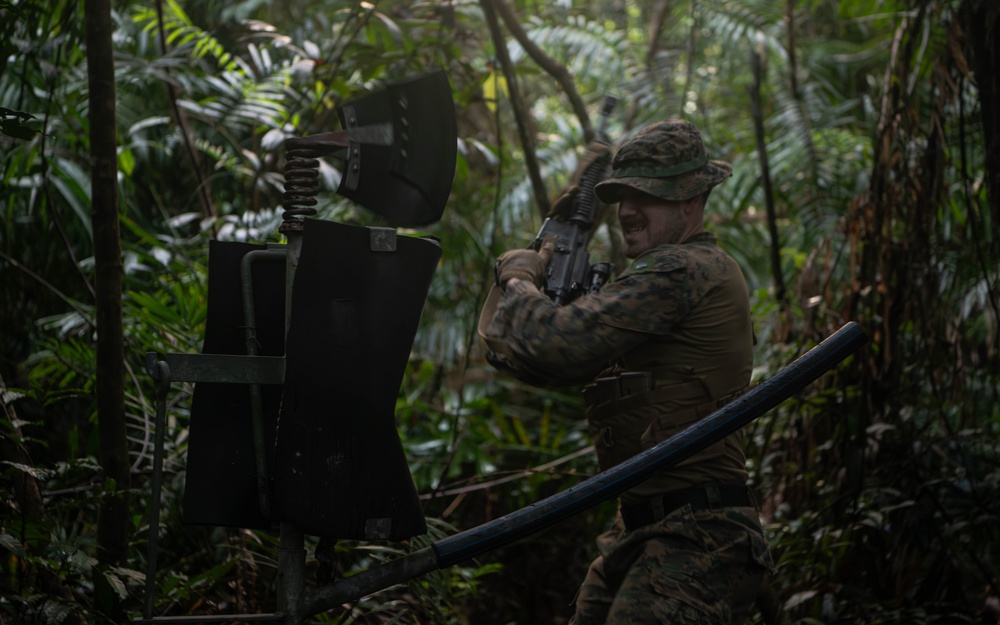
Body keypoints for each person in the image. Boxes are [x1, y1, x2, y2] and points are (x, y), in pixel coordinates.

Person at [478, 120, 773, 624]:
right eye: (621, 197)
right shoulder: (647, 283)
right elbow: (521, 356)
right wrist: (551, 245)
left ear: (689, 199)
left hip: (697, 533)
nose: (629, 211)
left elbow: (555, 342)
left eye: (647, 196)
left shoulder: (685, 269)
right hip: (638, 528)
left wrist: (521, 277)